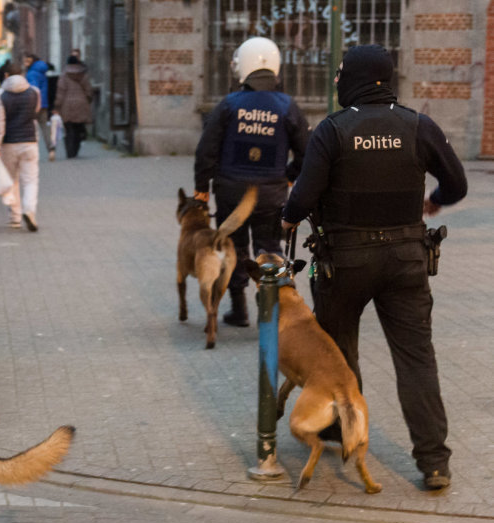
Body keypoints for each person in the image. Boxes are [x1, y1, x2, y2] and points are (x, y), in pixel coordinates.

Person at [281, 44, 467, 491]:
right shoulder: (419, 125)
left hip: (343, 263)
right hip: (407, 260)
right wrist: (433, 202)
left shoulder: (333, 130)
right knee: (417, 360)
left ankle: (338, 430)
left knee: (339, 353)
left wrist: (287, 218)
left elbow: (304, 194)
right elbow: (457, 183)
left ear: (353, 79)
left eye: (340, 75)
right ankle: (434, 462)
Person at [193, 36, 310, 326]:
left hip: (231, 192)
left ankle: (239, 309)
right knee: (269, 246)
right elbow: (308, 153)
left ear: (243, 67)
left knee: (234, 248)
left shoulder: (230, 104)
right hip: (272, 193)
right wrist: (289, 177)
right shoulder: (286, 106)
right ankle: (272, 309)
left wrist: (201, 189)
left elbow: (206, 150)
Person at [0, 62, 40, 232]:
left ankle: (15, 217)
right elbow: (36, 112)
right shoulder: (34, 92)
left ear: (5, 76)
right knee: (31, 180)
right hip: (30, 141)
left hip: (9, 143)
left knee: (12, 181)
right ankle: (30, 210)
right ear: (22, 74)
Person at [54, 55, 93, 159]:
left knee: (69, 129)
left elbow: (60, 93)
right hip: (81, 103)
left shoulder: (64, 75)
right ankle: (76, 149)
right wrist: (87, 100)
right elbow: (89, 91)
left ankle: (70, 152)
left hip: (67, 105)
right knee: (78, 128)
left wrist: (57, 105)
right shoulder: (83, 74)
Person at [23, 53, 54, 161]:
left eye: (27, 61)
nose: (25, 63)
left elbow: (33, 89)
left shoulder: (31, 73)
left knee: (30, 128)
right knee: (45, 127)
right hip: (44, 103)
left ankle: (30, 152)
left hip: (34, 104)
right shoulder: (41, 70)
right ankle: (51, 149)